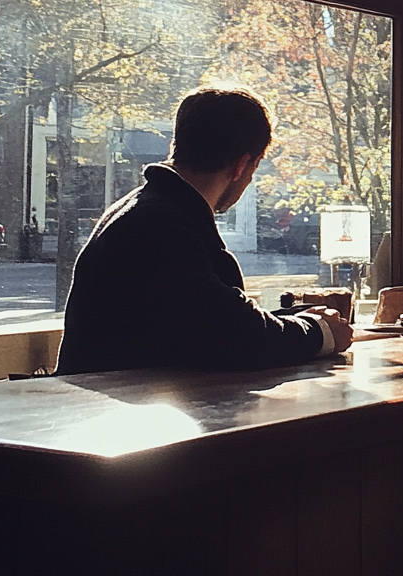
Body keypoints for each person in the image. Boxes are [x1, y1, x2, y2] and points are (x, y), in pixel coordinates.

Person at [56, 87, 352, 375]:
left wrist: (292, 320)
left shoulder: (142, 210)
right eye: (254, 168)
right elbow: (228, 337)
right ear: (240, 165)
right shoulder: (162, 226)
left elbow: (200, 318)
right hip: (117, 418)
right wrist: (320, 332)